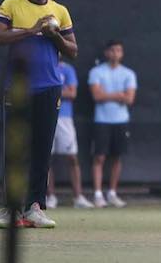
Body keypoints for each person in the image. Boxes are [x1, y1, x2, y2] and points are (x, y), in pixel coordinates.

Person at [0, 0, 78, 229]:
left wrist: (55, 37)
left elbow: (73, 50)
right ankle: (10, 209)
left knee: (41, 150)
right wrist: (31, 31)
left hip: (50, 89)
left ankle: (35, 207)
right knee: (15, 149)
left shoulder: (59, 11)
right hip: (18, 88)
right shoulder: (11, 5)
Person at [88, 40, 137, 208]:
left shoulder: (129, 74)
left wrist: (108, 94)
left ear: (122, 53)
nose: (116, 53)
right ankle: (97, 194)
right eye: (113, 50)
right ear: (107, 53)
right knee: (99, 157)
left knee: (117, 157)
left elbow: (130, 98)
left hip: (121, 121)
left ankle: (112, 193)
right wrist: (119, 95)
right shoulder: (96, 72)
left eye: (119, 50)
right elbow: (97, 96)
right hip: (101, 121)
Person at [46, 57, 94, 209]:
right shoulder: (42, 68)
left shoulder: (67, 69)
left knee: (72, 157)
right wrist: (59, 90)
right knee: (45, 159)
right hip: (45, 117)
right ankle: (49, 196)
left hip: (65, 119)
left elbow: (72, 93)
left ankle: (78, 197)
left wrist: (49, 90)